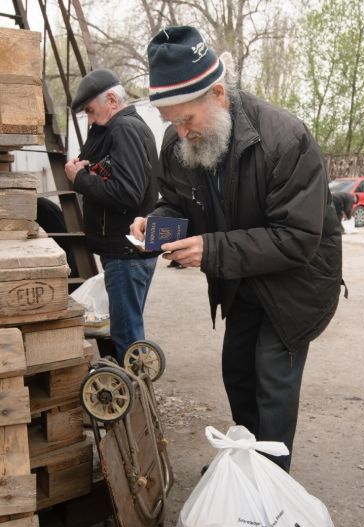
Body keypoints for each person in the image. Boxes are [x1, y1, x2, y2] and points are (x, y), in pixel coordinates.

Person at [131, 26, 343, 472]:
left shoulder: (285, 138)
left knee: (272, 382)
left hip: (295, 285)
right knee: (238, 373)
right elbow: (178, 202)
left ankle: (269, 486)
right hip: (243, 278)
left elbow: (297, 237)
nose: (182, 132)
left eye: (187, 119)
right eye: (172, 122)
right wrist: (157, 224)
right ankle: (248, 467)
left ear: (218, 94)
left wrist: (210, 251)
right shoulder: (179, 142)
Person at [65, 68, 159, 364]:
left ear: (112, 100)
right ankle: (134, 381)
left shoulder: (124, 129)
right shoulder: (123, 127)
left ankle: (132, 386)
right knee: (127, 327)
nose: (91, 120)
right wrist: (90, 168)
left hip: (125, 251)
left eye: (91, 111)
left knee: (126, 333)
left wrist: (80, 179)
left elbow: (127, 193)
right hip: (129, 249)